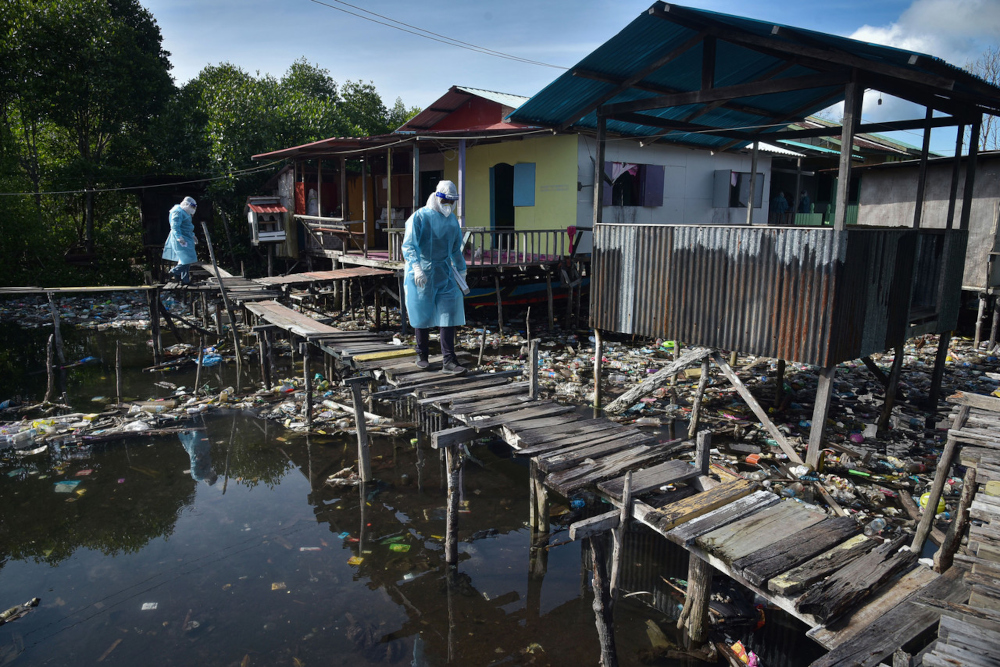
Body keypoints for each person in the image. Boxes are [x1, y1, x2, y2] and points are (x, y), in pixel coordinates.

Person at [402, 180, 467, 375]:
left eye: (452, 201)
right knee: (422, 311)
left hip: (444, 272)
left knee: (449, 312)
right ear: (437, 197)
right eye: (446, 200)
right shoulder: (420, 217)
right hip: (422, 271)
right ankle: (422, 354)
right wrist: (416, 267)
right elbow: (409, 245)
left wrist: (462, 269)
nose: (448, 205)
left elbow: (456, 248)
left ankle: (449, 359)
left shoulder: (452, 221)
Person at [162, 196, 198, 285]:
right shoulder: (178, 211)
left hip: (187, 237)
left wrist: (193, 235)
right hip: (181, 238)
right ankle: (174, 271)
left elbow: (187, 226)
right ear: (186, 205)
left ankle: (185, 280)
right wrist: (179, 237)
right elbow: (175, 226)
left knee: (184, 259)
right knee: (188, 258)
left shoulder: (186, 213)